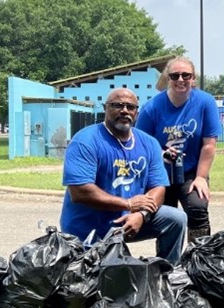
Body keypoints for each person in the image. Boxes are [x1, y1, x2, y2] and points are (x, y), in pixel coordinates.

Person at [60, 89, 186, 264]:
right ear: (105, 108)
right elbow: (80, 192)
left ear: (136, 113)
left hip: (130, 221)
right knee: (97, 283)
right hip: (89, 228)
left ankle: (166, 275)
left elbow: (158, 188)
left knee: (176, 219)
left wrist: (141, 214)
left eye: (130, 107)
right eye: (117, 105)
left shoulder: (149, 143)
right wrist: (128, 204)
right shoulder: (85, 140)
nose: (124, 110)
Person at [136, 56, 221, 243]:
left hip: (191, 170)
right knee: (167, 216)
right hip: (160, 173)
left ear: (193, 79)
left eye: (186, 75)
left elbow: (209, 144)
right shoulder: (151, 108)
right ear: (168, 79)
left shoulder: (205, 102)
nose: (180, 80)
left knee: (197, 206)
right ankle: (167, 264)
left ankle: (199, 258)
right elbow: (141, 144)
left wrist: (201, 177)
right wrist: (160, 154)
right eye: (175, 76)